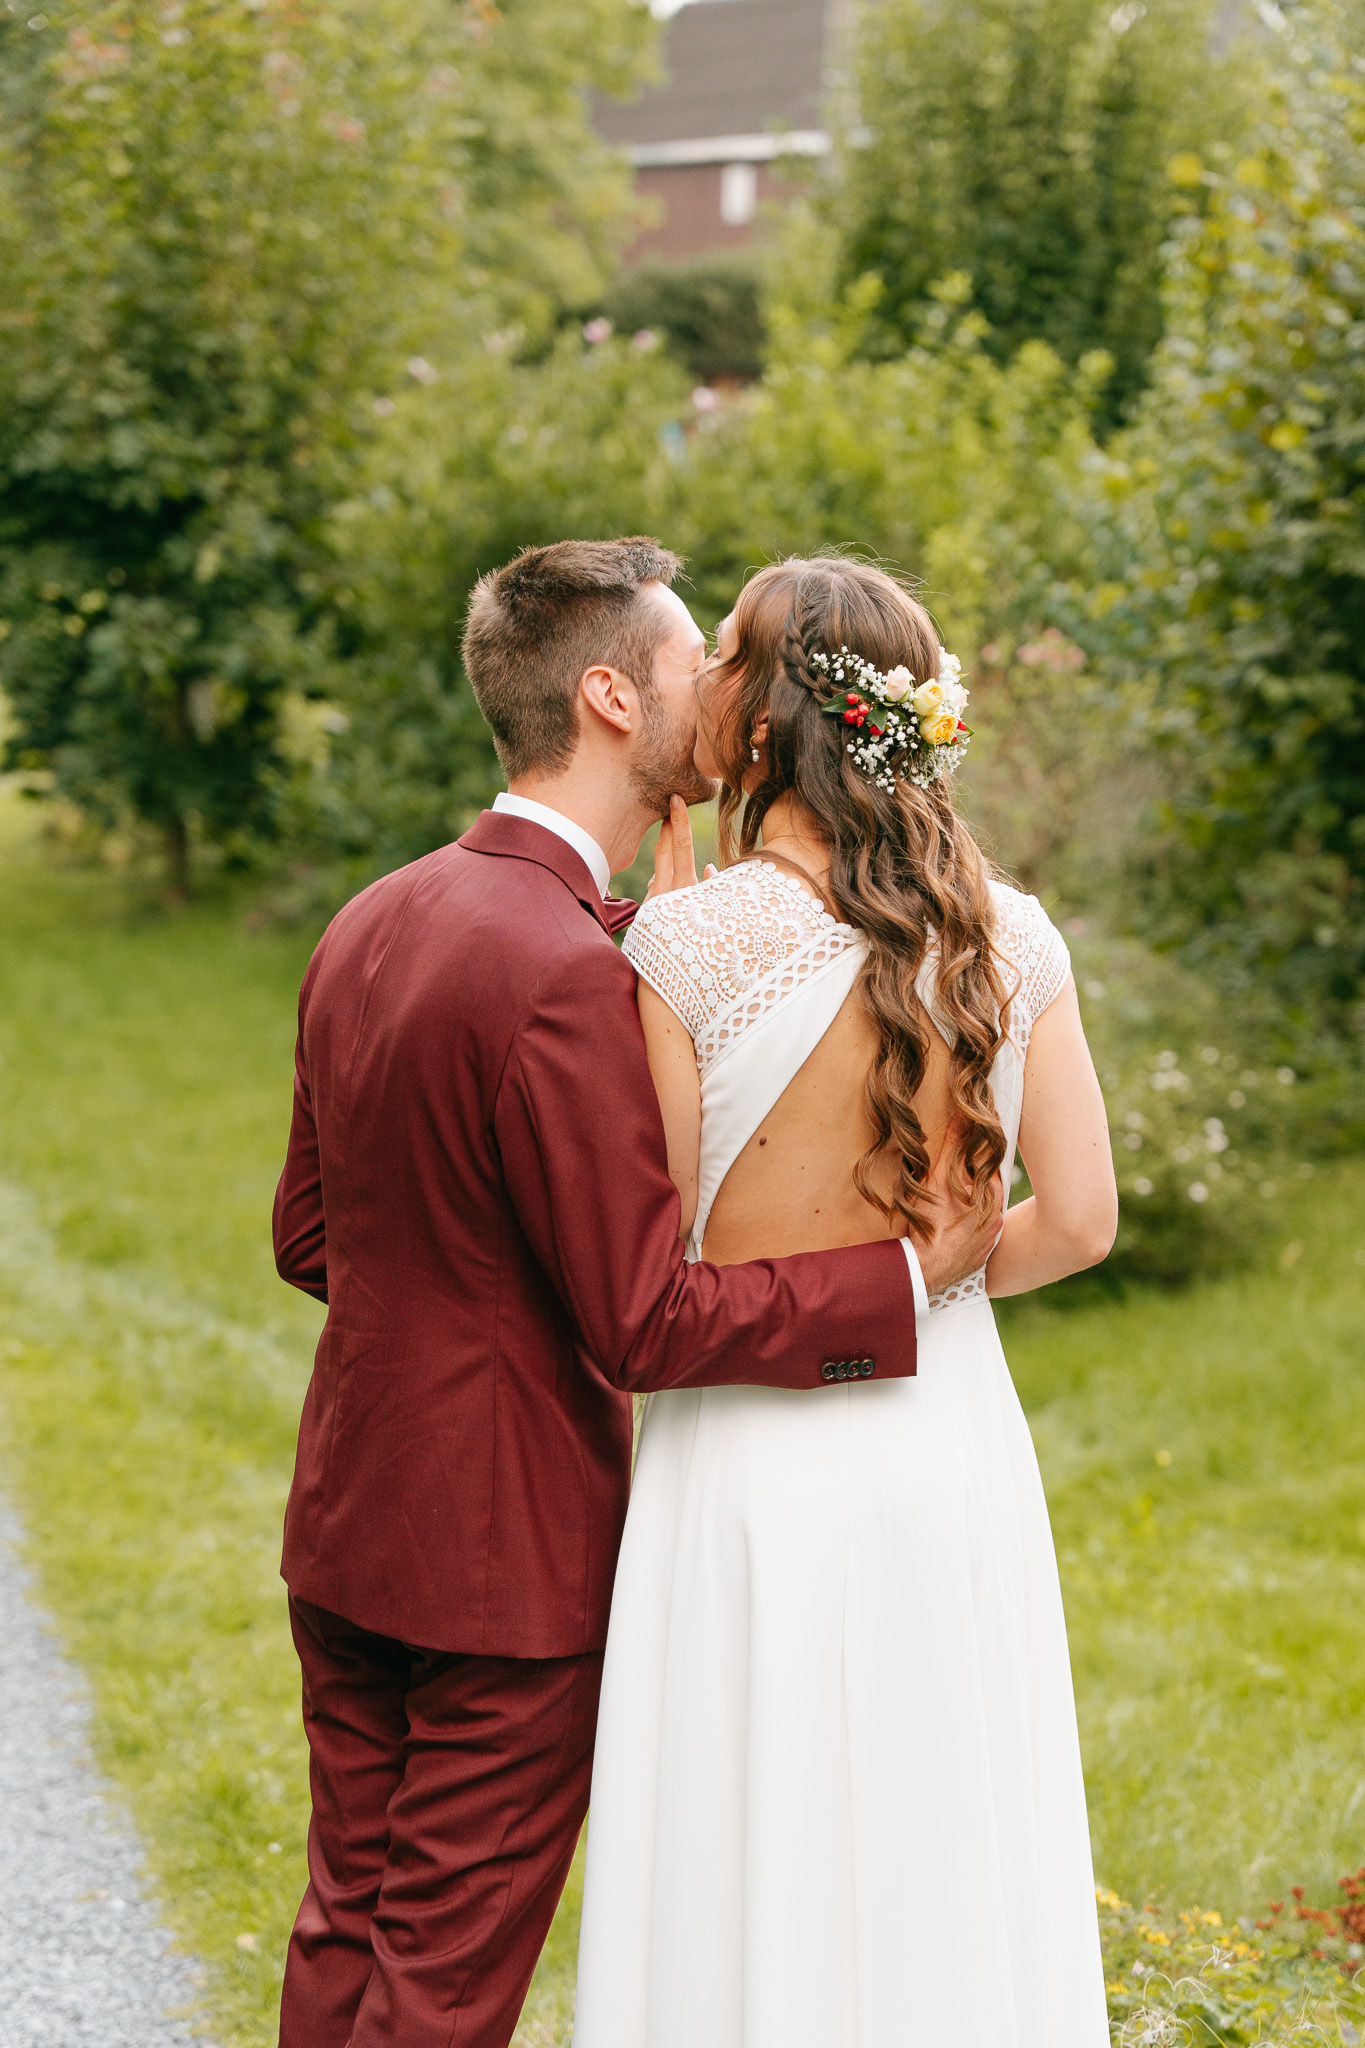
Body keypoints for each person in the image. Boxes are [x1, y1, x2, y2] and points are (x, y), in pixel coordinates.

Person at [270, 538, 1001, 2048]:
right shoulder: (557, 970)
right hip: (503, 1561)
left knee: (350, 1919)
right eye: (692, 667)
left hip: (348, 1515)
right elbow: (644, 1324)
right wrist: (895, 1284)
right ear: (607, 696)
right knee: (442, 1976)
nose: (720, 698)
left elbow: (309, 1236)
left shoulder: (376, 919)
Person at [573, 556, 1119, 2048]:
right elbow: (1077, 1221)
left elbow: (655, 1256)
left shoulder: (675, 947)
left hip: (744, 1458)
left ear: (764, 722)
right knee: (939, 1837)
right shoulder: (1010, 937)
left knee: (745, 1835)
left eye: (728, 656)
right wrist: (932, 1279)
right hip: (945, 1446)